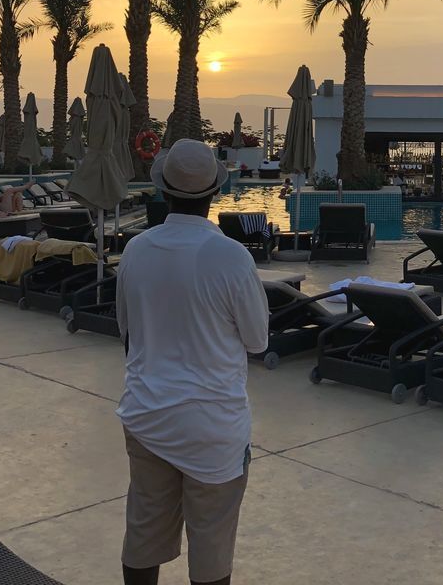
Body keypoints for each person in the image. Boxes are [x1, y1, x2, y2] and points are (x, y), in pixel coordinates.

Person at [116, 139, 269, 585]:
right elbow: (257, 342)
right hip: (212, 424)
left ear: (163, 189)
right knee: (212, 544)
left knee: (143, 531)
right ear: (214, 192)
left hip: (146, 413)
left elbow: (127, 335)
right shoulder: (230, 257)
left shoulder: (137, 250)